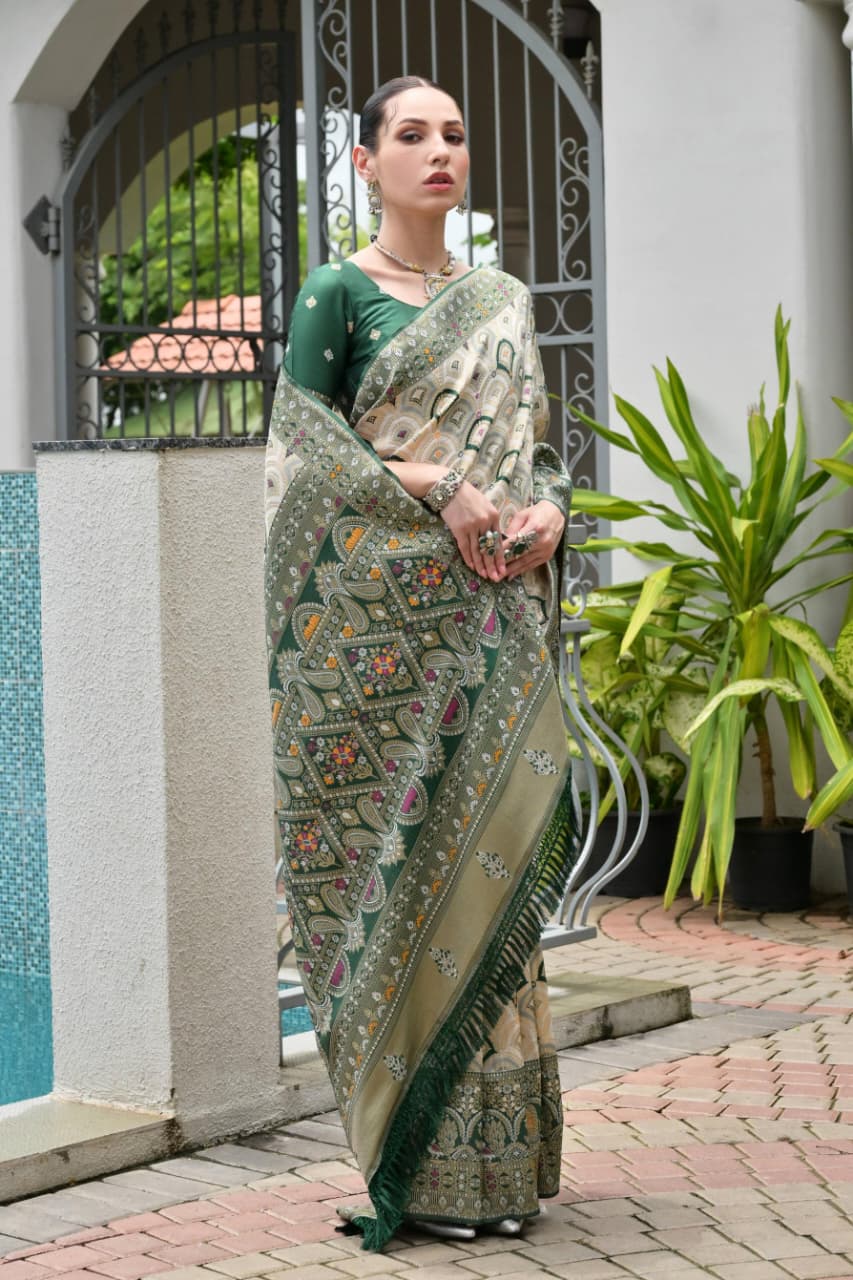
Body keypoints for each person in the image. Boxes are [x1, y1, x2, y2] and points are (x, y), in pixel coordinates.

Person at [263, 75, 577, 1253]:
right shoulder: (336, 294)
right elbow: (301, 456)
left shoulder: (501, 300)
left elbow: (534, 453)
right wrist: (441, 484)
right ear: (365, 162)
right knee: (400, 885)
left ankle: (502, 1166)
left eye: (453, 133)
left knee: (490, 874)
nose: (438, 150)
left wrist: (548, 513)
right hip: (382, 653)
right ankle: (425, 1165)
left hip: (492, 626)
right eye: (411, 134)